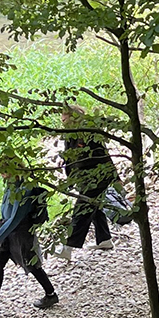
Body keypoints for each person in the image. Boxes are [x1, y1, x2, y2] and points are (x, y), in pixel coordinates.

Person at [0, 154, 56, 316]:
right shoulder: (12, 184)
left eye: (4, 171)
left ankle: (51, 294)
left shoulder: (26, 187)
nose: (2, 175)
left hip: (20, 232)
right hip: (7, 230)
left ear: (12, 169)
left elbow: (16, 218)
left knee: (32, 264)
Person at [59, 104, 120, 262]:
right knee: (95, 207)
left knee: (82, 210)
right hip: (83, 179)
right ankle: (104, 239)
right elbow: (69, 157)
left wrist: (116, 178)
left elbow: (103, 155)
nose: (62, 118)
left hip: (97, 178)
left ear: (74, 117)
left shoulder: (89, 133)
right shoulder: (69, 134)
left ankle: (68, 247)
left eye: (65, 115)